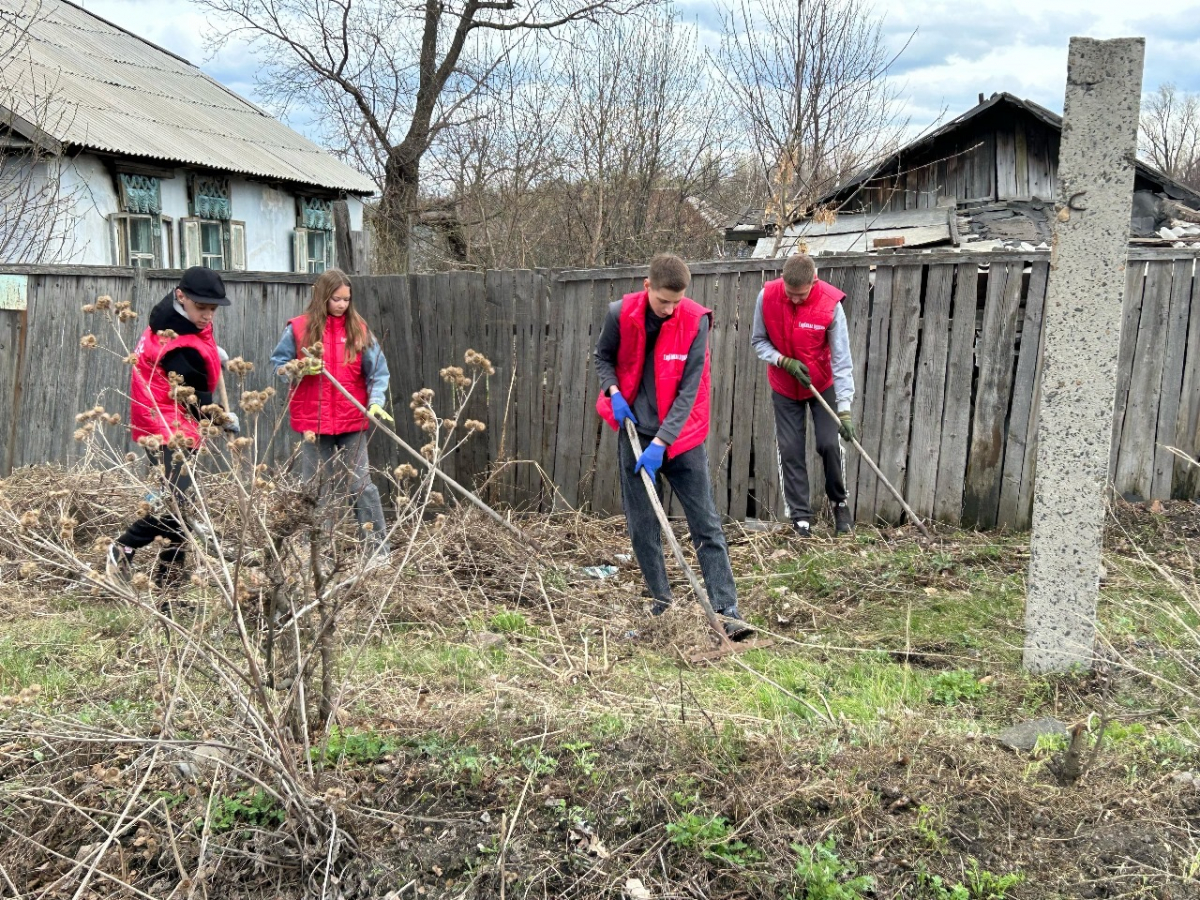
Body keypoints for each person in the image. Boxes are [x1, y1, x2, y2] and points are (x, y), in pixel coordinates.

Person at [594, 253, 752, 640]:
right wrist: (612, 390)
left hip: (681, 437)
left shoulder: (695, 321)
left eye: (676, 302)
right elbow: (602, 358)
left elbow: (690, 391)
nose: (669, 310)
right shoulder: (620, 313)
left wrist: (663, 442)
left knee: (706, 524)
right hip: (635, 433)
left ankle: (727, 610)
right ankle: (662, 606)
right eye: (663, 301)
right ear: (647, 287)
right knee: (643, 525)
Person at [107, 266, 240, 589]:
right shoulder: (176, 343)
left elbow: (198, 343)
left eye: (212, 308)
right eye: (201, 307)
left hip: (164, 420)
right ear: (182, 296)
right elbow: (196, 399)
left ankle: (169, 590)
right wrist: (222, 419)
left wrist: (210, 353)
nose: (208, 315)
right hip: (166, 426)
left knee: (177, 507)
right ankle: (123, 547)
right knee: (175, 505)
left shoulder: (171, 316)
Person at [269, 267, 392, 563]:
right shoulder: (298, 328)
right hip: (314, 422)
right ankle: (317, 555)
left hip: (352, 420)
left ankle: (377, 552)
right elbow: (278, 362)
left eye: (346, 300)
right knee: (315, 489)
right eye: (336, 299)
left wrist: (375, 402)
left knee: (361, 485)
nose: (342, 305)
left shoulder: (359, 330)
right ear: (322, 296)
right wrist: (297, 369)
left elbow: (378, 371)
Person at [751, 253, 856, 537]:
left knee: (829, 444)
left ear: (814, 281)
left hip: (821, 384)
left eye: (801, 294)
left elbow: (842, 359)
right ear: (783, 281)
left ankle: (839, 503)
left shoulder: (830, 305)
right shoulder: (767, 296)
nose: (795, 299)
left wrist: (844, 408)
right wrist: (781, 360)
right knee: (790, 449)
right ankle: (801, 518)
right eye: (790, 293)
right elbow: (758, 341)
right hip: (785, 387)